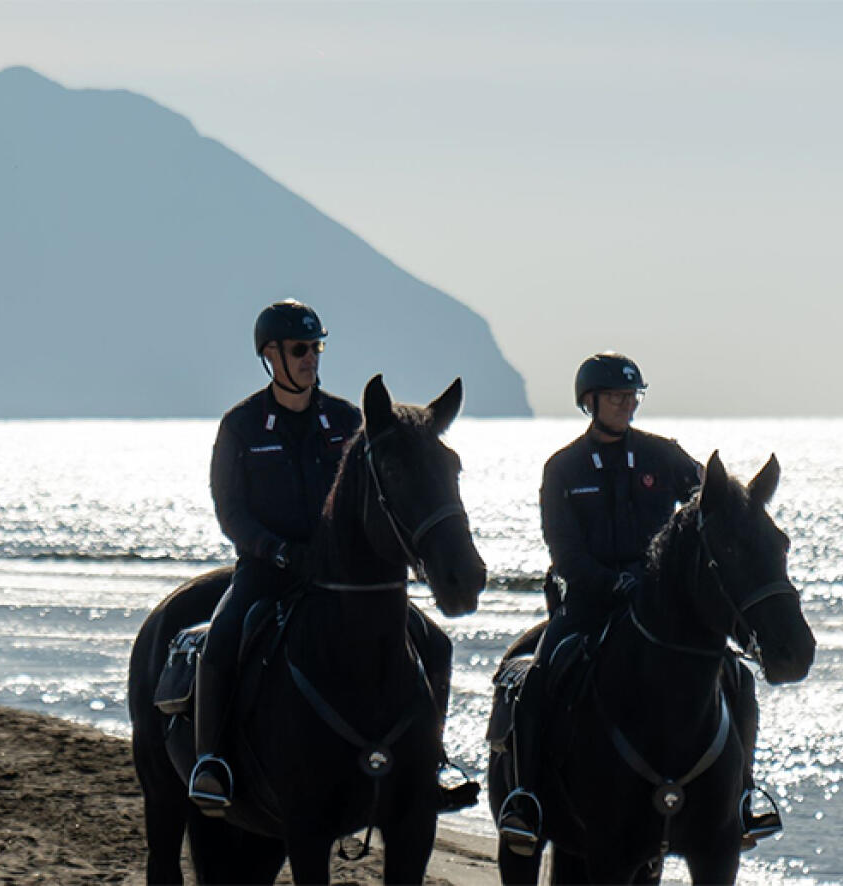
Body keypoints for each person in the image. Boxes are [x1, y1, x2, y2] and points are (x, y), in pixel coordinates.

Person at [189, 299, 475, 814]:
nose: (310, 359)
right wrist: (279, 552)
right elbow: (232, 514)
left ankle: (433, 759)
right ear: (270, 355)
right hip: (270, 571)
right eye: (300, 349)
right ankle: (213, 761)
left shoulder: (349, 421)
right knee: (224, 636)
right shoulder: (242, 427)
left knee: (435, 645)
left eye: (316, 347)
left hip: (342, 578)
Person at [497, 352, 777, 854]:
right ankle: (527, 797)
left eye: (631, 396)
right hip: (588, 603)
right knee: (542, 672)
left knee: (737, 677)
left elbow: (713, 504)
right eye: (615, 397)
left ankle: (745, 795)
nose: (626, 404)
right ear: (590, 402)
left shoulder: (663, 455)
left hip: (660, 605)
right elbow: (563, 550)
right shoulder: (563, 468)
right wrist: (609, 583)